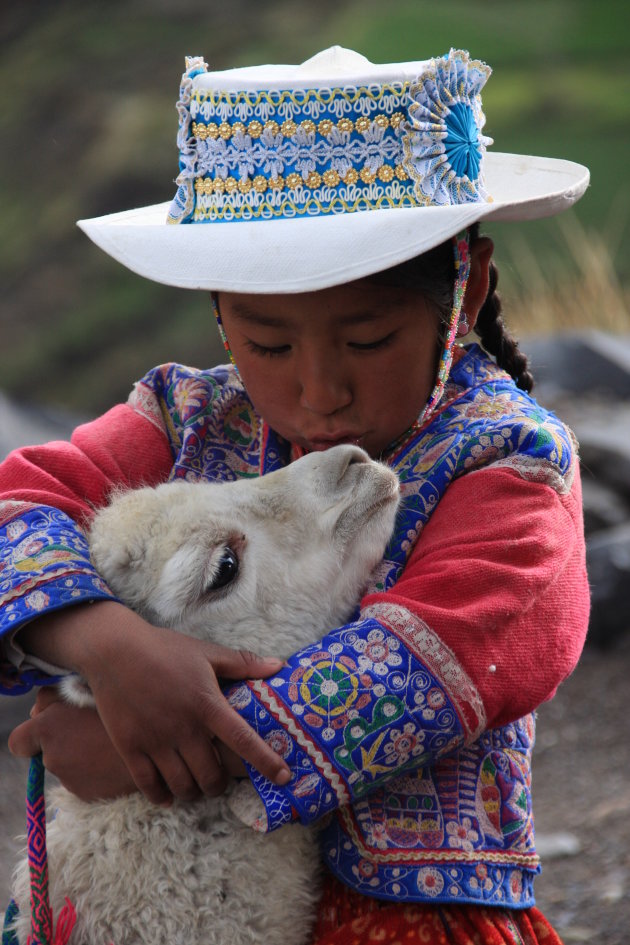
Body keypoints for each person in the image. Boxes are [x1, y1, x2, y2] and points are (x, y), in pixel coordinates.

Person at [0, 46, 590, 945]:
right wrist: (102, 641)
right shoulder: (185, 414)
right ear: (219, 313)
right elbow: (21, 502)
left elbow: (425, 668)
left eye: (367, 338)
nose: (320, 393)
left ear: (464, 297)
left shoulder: (510, 469)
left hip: (410, 919)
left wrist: (135, 748)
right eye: (269, 346)